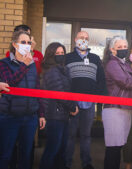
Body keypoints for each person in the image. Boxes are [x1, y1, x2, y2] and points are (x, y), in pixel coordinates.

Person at [102, 36, 132, 169]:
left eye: (125, 47)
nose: (123, 49)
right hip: (114, 109)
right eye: (120, 47)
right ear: (112, 50)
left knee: (118, 146)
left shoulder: (123, 64)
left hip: (125, 109)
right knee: (113, 148)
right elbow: (126, 83)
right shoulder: (113, 64)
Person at [0, 31, 46, 169]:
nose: (27, 45)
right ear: (14, 44)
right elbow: (10, 84)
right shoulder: (4, 64)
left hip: (30, 118)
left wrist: (41, 114)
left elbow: (37, 89)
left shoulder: (32, 65)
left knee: (26, 155)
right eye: (23, 42)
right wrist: (24, 65)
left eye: (29, 43)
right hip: (10, 117)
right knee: (5, 155)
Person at [65, 31, 107, 169]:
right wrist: (69, 102)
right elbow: (64, 81)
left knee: (86, 135)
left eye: (86, 38)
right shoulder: (68, 57)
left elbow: (101, 79)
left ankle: (86, 163)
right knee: (70, 135)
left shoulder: (95, 58)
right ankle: (66, 163)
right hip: (71, 104)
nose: (84, 40)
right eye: (81, 38)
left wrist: (97, 95)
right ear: (75, 39)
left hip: (89, 104)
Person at [39, 42, 79, 169]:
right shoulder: (52, 71)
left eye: (62, 53)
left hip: (62, 115)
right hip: (54, 116)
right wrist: (73, 107)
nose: (60, 55)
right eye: (57, 53)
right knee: (53, 149)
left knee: (61, 149)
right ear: (51, 55)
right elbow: (60, 93)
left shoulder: (63, 69)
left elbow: (68, 91)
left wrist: (71, 106)